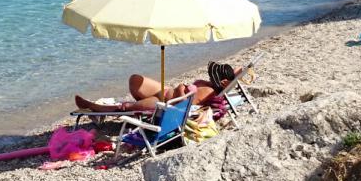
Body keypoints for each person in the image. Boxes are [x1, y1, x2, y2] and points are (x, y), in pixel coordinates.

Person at [75, 62, 240, 113]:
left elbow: (186, 102)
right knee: (135, 80)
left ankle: (94, 107)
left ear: (222, 82)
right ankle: (139, 103)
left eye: (215, 75)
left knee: (124, 107)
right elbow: (237, 73)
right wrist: (240, 73)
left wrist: (183, 88)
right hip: (165, 91)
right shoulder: (212, 85)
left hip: (165, 103)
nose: (211, 76)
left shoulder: (209, 91)